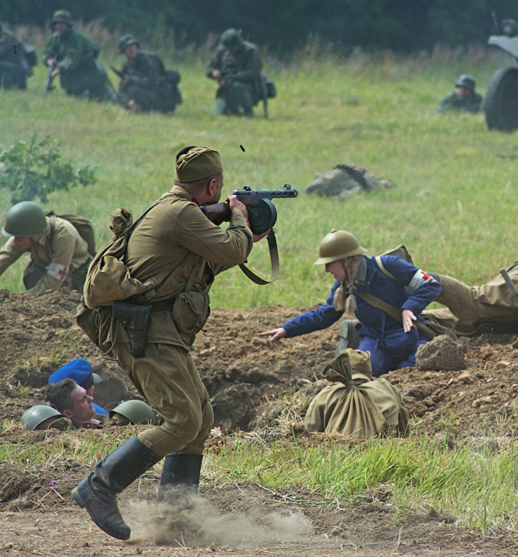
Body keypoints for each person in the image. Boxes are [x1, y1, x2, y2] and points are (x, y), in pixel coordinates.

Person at [71, 146, 266, 541]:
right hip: (147, 330)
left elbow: (209, 259)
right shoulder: (179, 214)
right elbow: (231, 248)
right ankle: (100, 485)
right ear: (212, 184)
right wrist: (242, 221)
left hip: (162, 330)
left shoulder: (176, 210)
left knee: (199, 417)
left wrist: (243, 231)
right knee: (181, 421)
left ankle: (175, 520)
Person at [260, 230, 442, 377]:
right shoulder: (343, 286)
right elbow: (325, 315)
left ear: (345, 261)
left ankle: (399, 371)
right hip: (374, 340)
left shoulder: (387, 266)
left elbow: (431, 283)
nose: (326, 270)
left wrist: (410, 307)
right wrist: (286, 329)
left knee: (417, 365)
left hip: (408, 335)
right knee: (356, 372)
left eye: (329, 264)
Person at [303, 349, 409, 439]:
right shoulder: (389, 391)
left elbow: (308, 435)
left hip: (338, 456)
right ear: (371, 376)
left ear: (339, 374)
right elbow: (404, 431)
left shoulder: (325, 395)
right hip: (384, 456)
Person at [0, 202, 92, 293]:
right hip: (48, 266)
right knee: (32, 275)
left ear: (34, 233)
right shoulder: (24, 235)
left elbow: (53, 283)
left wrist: (20, 298)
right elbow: (2, 259)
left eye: (19, 236)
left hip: (76, 272)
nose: (15, 241)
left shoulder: (64, 236)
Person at [42, 10, 116, 101]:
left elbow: (71, 60)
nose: (59, 26)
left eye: (62, 23)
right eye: (57, 23)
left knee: (109, 100)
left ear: (68, 24)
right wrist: (49, 61)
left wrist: (56, 72)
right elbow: (47, 53)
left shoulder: (76, 38)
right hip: (73, 78)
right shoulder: (55, 39)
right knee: (75, 99)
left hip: (90, 74)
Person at [116, 34, 180, 113]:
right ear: (123, 51)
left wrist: (130, 80)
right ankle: (134, 106)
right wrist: (128, 103)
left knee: (133, 91)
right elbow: (121, 90)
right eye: (128, 48)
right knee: (124, 93)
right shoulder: (126, 65)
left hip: (160, 97)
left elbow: (151, 83)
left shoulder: (148, 60)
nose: (132, 49)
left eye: (133, 46)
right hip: (145, 95)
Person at [205, 29, 263, 116]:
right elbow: (209, 68)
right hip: (226, 88)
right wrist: (214, 72)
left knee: (237, 86)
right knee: (217, 114)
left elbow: (252, 73)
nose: (229, 51)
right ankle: (232, 109)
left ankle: (248, 110)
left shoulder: (251, 51)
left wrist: (232, 78)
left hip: (247, 87)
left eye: (232, 48)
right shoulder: (222, 50)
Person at [305, 164, 394, 199]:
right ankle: (311, 191)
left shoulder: (375, 183)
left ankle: (325, 196)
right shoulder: (373, 181)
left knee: (350, 192)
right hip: (346, 173)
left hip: (355, 182)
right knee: (325, 181)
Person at [0, 23, 33, 89]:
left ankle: (6, 85)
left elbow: (1, 52)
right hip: (14, 66)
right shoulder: (5, 35)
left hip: (18, 67)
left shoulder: (5, 37)